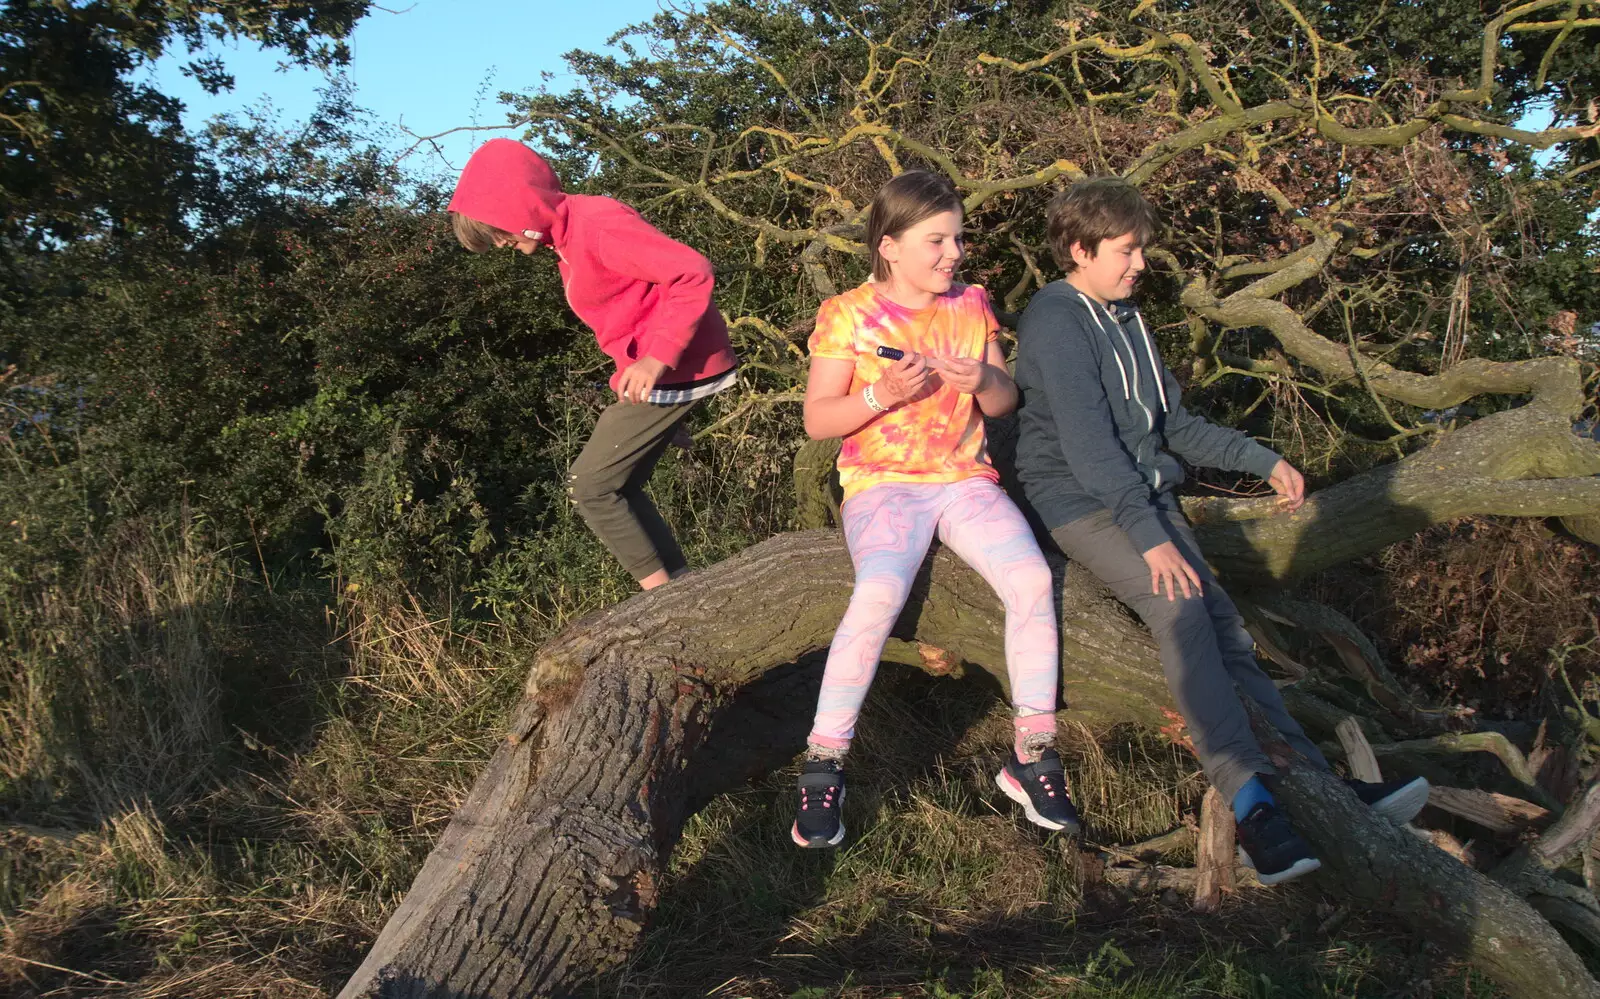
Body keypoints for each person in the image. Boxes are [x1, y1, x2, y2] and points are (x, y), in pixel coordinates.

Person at [1012, 177, 1429, 885]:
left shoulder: (1127, 318)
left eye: (1142, 248)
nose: (1140, 262)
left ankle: (1321, 784)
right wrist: (1150, 536)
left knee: (1229, 629)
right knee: (1177, 608)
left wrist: (1261, 459)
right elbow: (1089, 452)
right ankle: (1252, 807)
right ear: (1079, 249)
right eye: (1126, 249)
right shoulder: (1057, 318)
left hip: (1139, 495)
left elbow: (1171, 425)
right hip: (1079, 501)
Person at [792, 170, 1080, 849]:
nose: (953, 253)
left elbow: (1004, 400)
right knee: (881, 590)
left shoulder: (972, 304)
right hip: (882, 483)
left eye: (957, 238)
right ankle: (824, 762)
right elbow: (816, 419)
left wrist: (984, 378)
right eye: (937, 240)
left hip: (965, 480)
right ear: (889, 246)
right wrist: (882, 392)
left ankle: (1033, 753)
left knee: (1033, 579)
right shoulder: (848, 314)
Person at [448, 138, 738, 590]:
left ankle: (662, 598)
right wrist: (639, 380)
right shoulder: (566, 239)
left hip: (681, 366)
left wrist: (658, 360)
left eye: (498, 230)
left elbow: (690, 270)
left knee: (591, 487)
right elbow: (629, 314)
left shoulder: (595, 224)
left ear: (520, 205)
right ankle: (680, 588)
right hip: (667, 374)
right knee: (619, 486)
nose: (501, 243)